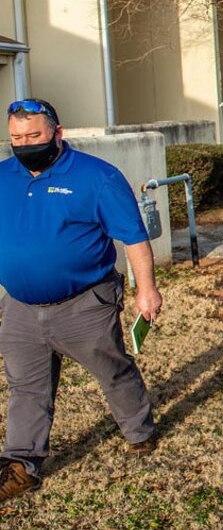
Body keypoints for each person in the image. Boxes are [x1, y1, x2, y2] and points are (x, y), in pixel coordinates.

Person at [0, 99, 162, 502]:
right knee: (26, 387)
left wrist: (147, 289)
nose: (24, 145)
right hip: (19, 308)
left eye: (33, 136)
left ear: (58, 133)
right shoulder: (2, 177)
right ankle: (21, 463)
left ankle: (138, 431)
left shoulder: (98, 177)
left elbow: (134, 239)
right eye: (16, 138)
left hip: (85, 303)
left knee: (112, 371)